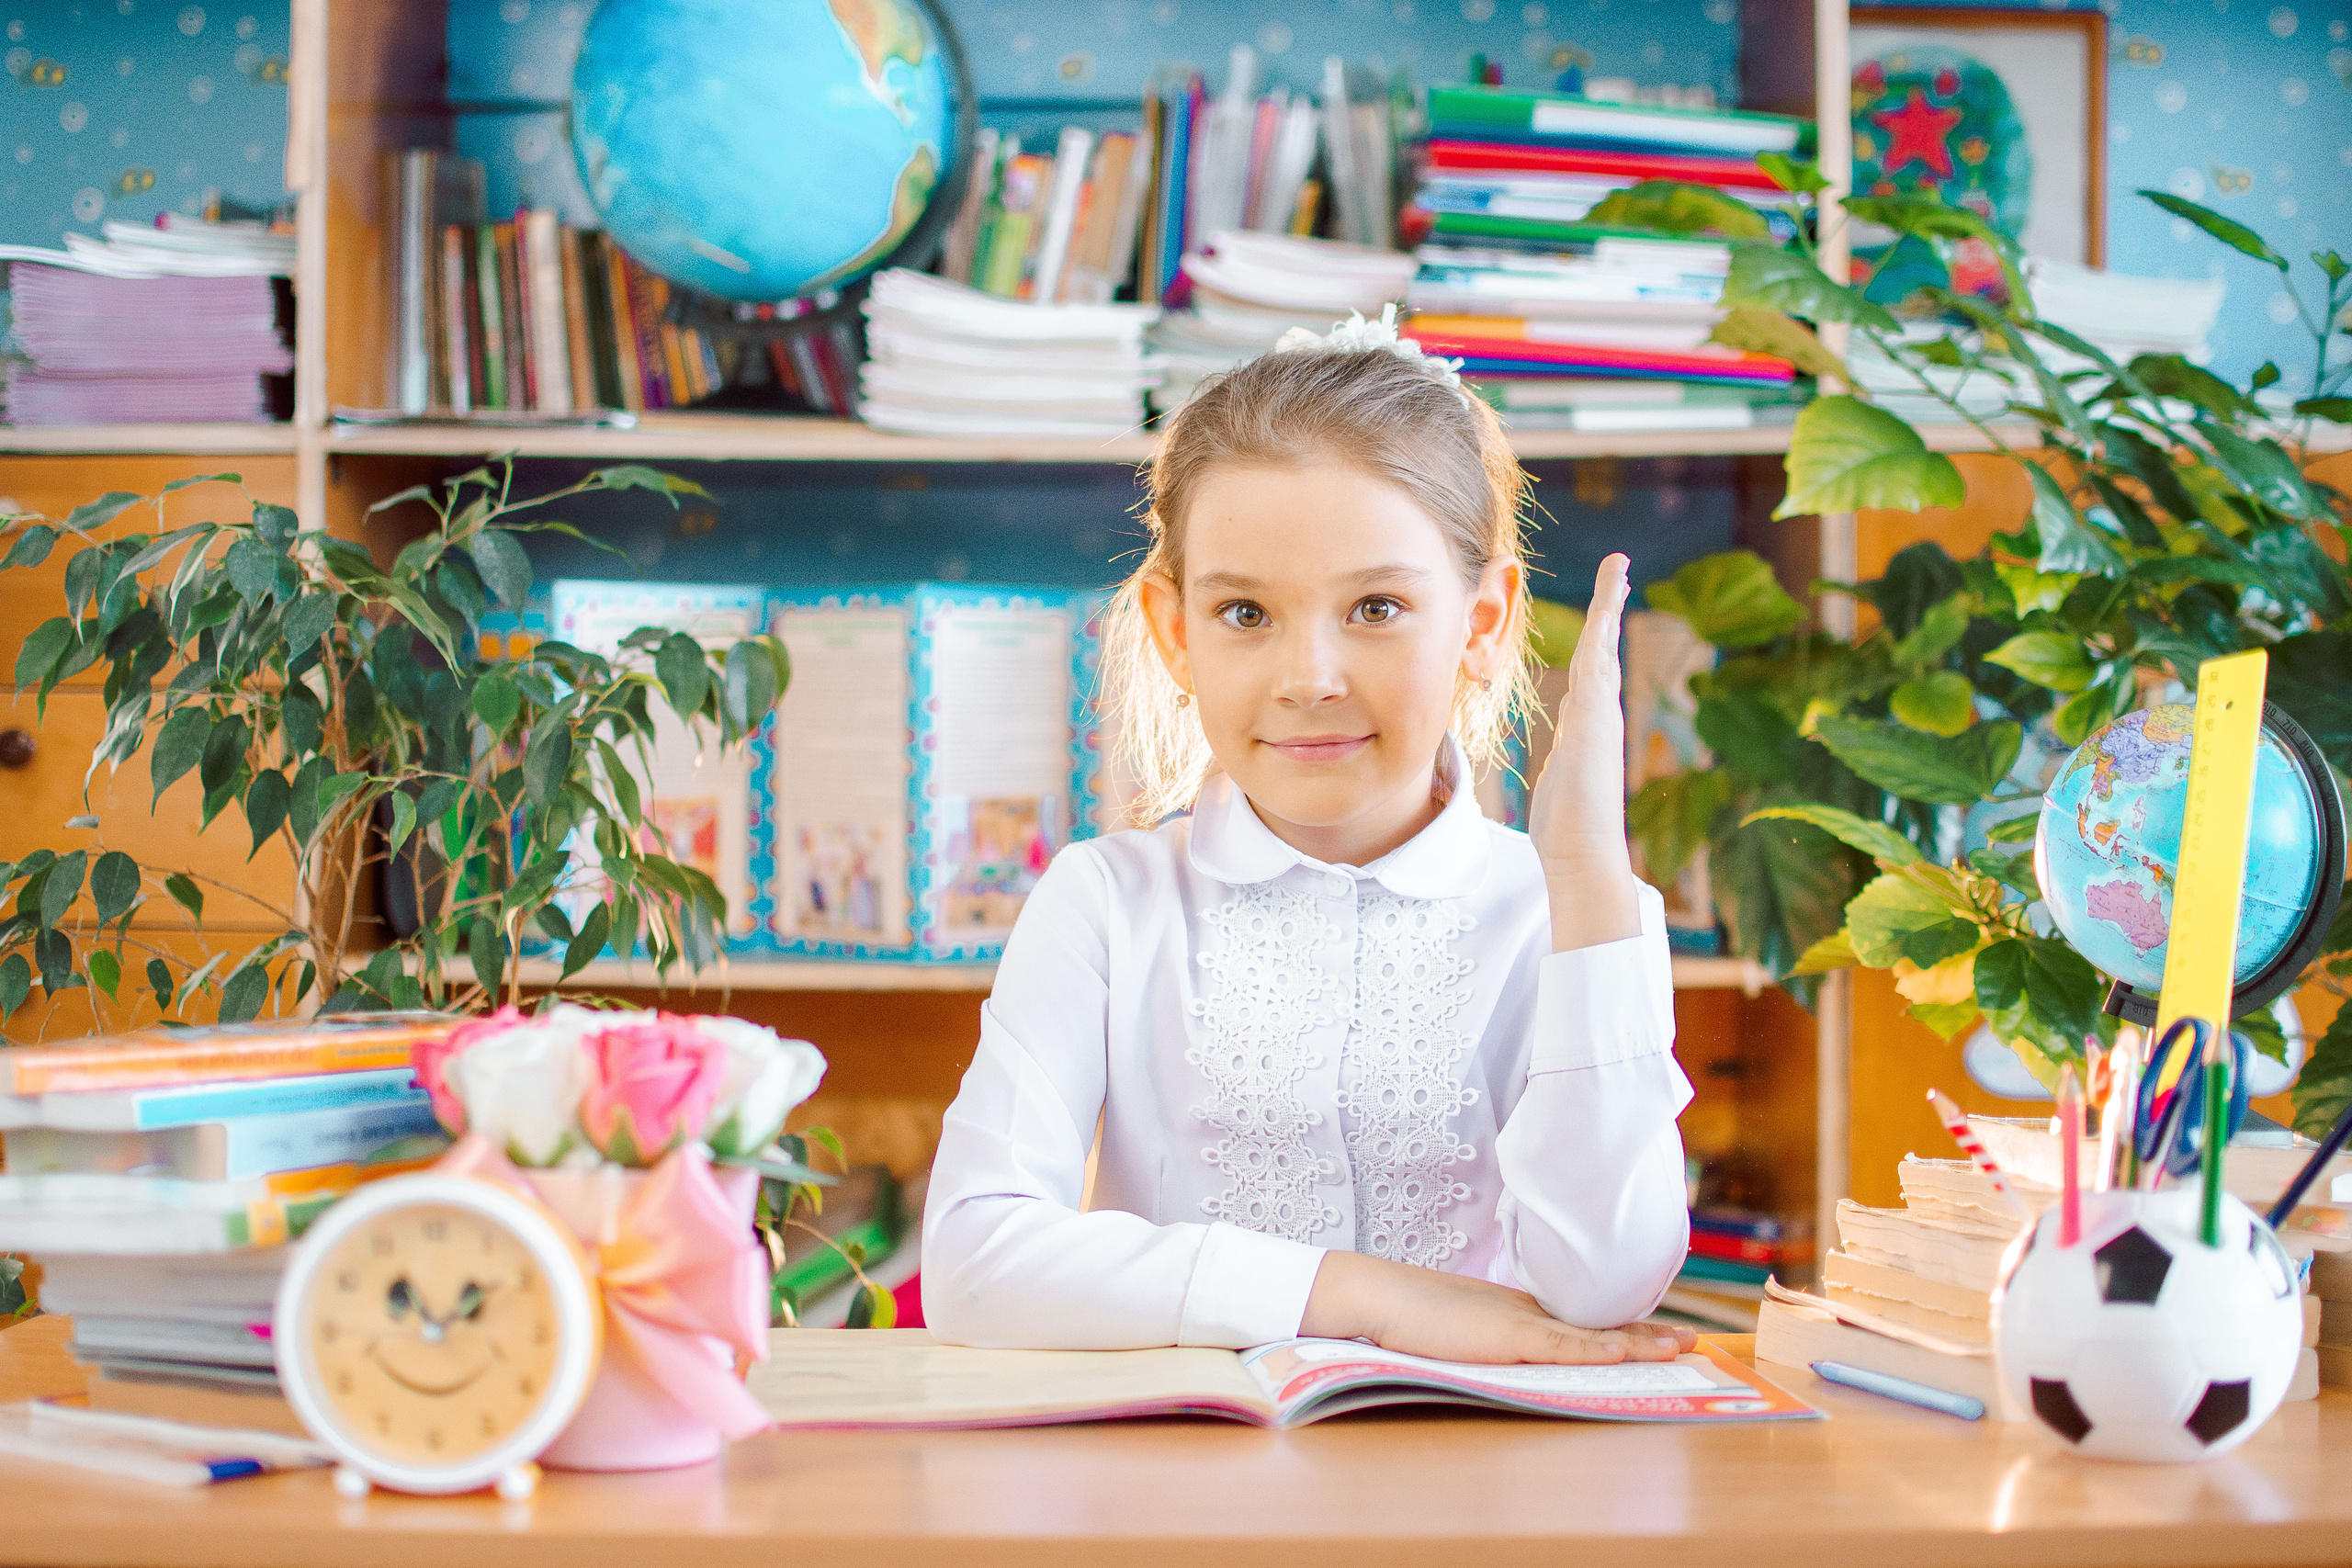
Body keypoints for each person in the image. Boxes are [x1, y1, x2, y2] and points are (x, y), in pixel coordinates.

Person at [921, 311, 1696, 1366]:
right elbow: (972, 1264)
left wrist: (1588, 882)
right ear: (1174, 630)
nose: (1307, 678)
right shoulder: (1105, 902)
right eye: (1245, 614)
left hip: (1487, 1500)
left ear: (1481, 625)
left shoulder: (1577, 914)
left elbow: (1604, 1285)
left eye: (1375, 606)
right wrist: (1365, 1299)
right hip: (1192, 1496)